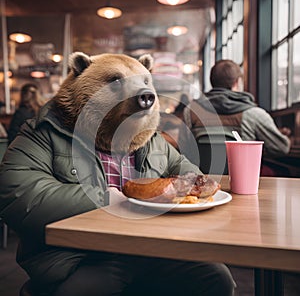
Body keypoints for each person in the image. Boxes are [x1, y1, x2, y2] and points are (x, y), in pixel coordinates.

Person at [0, 52, 235, 296]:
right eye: (115, 83)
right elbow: (15, 192)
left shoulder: (153, 142)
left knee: (216, 278)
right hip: (80, 257)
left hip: (151, 247)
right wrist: (103, 199)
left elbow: (189, 177)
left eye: (144, 83)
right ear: (79, 71)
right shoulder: (44, 132)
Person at [184, 59, 291, 174]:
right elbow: (281, 148)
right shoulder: (253, 113)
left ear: (212, 82)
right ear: (236, 82)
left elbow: (185, 148)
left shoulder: (191, 111)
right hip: (243, 182)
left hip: (203, 181)